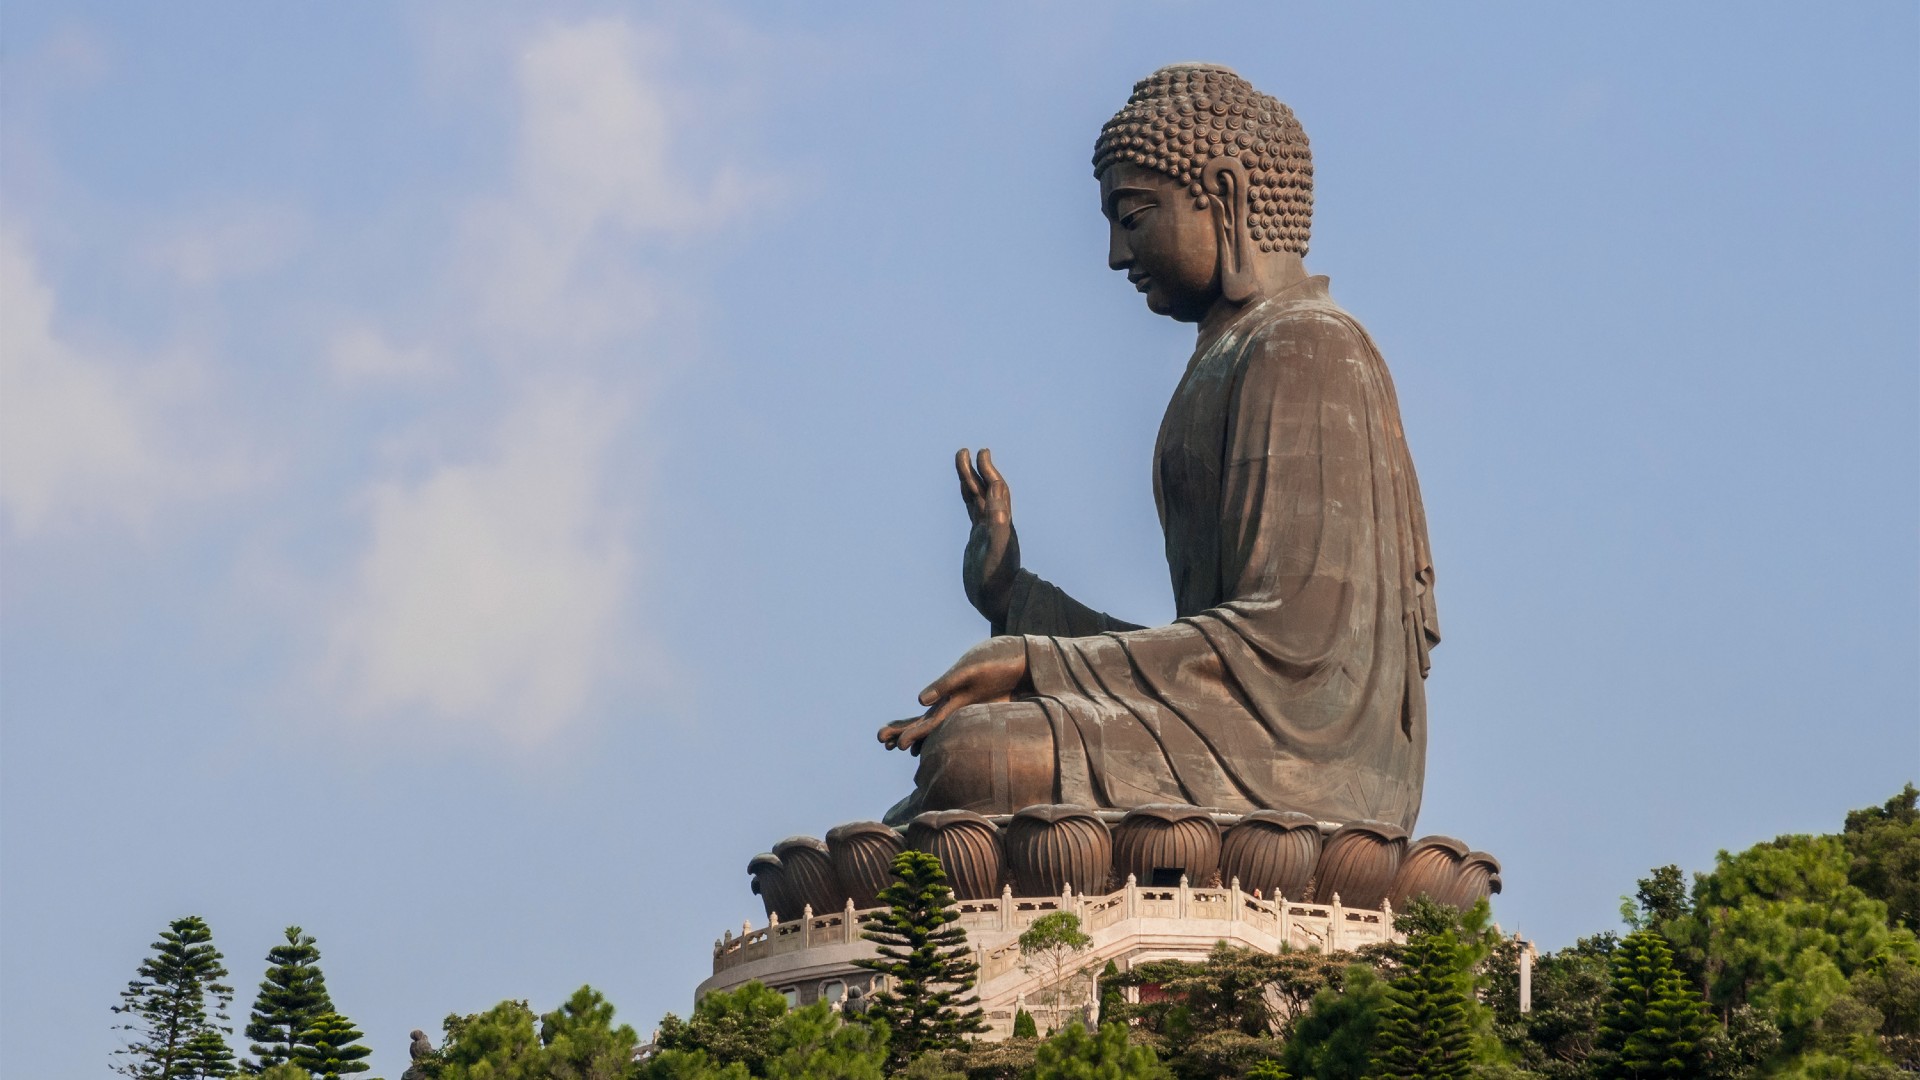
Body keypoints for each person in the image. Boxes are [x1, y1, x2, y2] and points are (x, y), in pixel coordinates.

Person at [880, 64, 1439, 832]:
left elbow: (1288, 652)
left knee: (974, 757)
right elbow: (1211, 655)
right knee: (917, 806)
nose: (1115, 253)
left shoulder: (1304, 347)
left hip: (1303, 765)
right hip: (1225, 728)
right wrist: (1016, 601)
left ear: (1227, 194)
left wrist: (1040, 660)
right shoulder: (1232, 353)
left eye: (1134, 215)